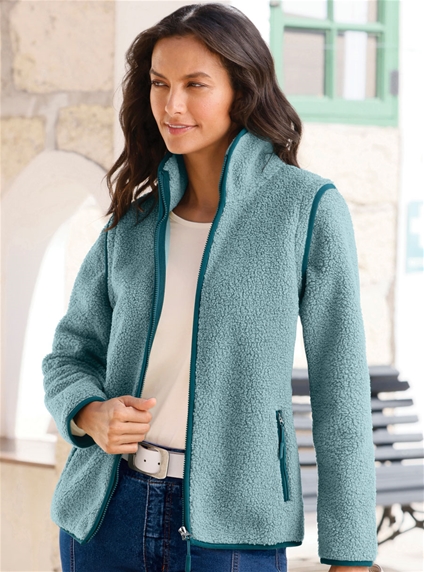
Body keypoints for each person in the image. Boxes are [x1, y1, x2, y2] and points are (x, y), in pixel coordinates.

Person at [42, 3, 379, 572]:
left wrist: (351, 555)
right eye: (159, 84)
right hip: (106, 515)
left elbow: (340, 393)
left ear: (241, 90)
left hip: (233, 531)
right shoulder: (132, 223)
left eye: (195, 85)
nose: (171, 105)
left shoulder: (306, 209)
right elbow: (69, 355)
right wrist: (88, 413)